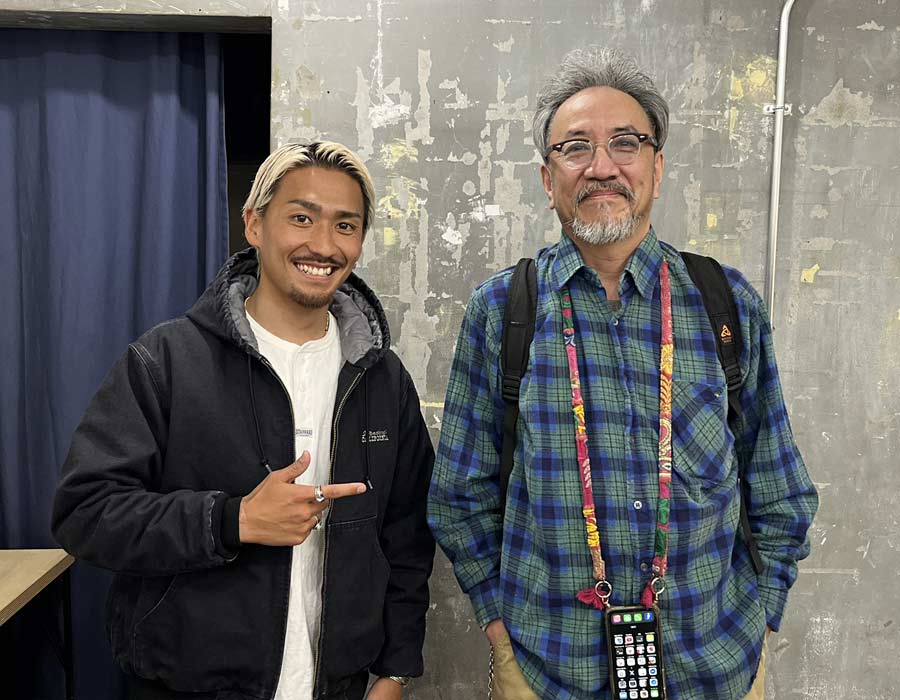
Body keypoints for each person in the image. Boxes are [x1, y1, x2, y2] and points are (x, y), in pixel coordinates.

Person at [428, 47, 817, 700]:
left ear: (657, 168)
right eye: (575, 147)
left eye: (626, 143)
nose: (602, 166)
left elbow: (779, 489)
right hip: (549, 673)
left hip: (714, 669)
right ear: (547, 177)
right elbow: (459, 497)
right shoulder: (502, 311)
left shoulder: (725, 303)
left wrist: (762, 622)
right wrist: (500, 635)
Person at [53, 141, 435, 700]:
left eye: (345, 226)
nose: (323, 245)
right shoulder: (166, 361)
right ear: (254, 224)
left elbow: (407, 537)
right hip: (187, 688)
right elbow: (85, 513)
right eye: (301, 218)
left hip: (340, 687)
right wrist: (232, 521)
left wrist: (395, 670)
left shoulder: (382, 379)